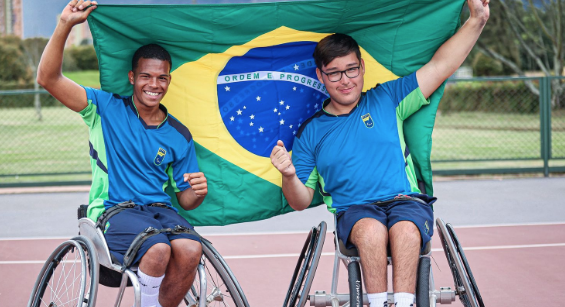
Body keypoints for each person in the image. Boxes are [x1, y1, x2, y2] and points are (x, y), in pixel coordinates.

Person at [270, 1, 490, 307]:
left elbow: (440, 66)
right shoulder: (311, 132)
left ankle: (402, 303)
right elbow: (299, 201)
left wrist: (477, 19)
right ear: (321, 76)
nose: (345, 80)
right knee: (372, 232)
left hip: (404, 200)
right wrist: (288, 175)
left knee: (405, 230)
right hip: (355, 210)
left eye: (350, 69)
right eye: (334, 73)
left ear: (361, 67)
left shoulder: (388, 98)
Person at [37, 1, 208, 307]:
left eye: (162, 78)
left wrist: (197, 192)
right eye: (146, 76)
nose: (154, 85)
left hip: (159, 211)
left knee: (191, 249)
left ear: (169, 80)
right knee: (157, 249)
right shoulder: (104, 108)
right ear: (132, 77)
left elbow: (185, 200)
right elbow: (48, 79)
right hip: (114, 211)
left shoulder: (179, 135)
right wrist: (65, 24)